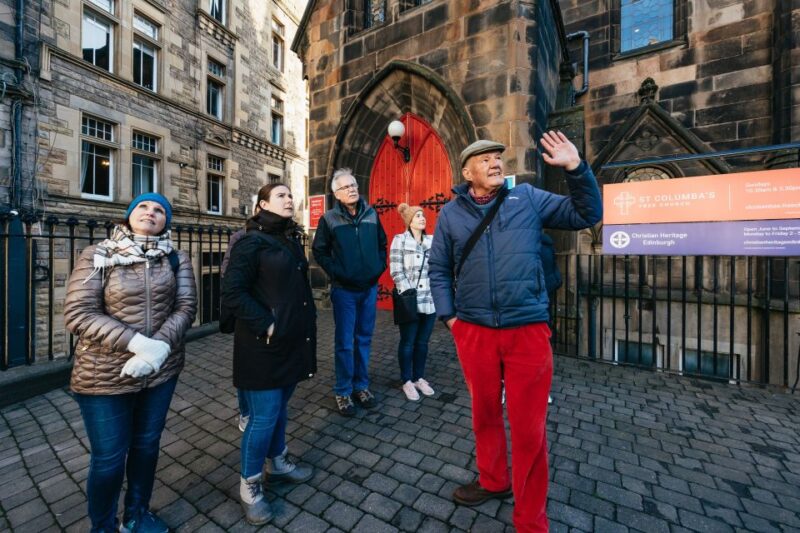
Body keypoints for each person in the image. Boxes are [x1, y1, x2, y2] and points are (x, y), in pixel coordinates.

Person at [428, 131, 602, 533]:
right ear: (467, 171)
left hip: (527, 330)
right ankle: (493, 480)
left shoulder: (528, 198)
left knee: (528, 430)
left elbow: (586, 214)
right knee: (484, 413)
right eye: (485, 159)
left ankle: (530, 521)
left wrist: (577, 169)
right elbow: (438, 268)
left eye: (497, 158)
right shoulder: (451, 214)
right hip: (474, 331)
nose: (494, 163)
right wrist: (451, 318)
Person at [64, 192, 197, 533]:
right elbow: (79, 314)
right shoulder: (98, 254)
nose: (151, 213)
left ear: (166, 221)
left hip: (160, 373)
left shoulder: (176, 258)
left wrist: (158, 351)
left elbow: (185, 307)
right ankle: (104, 526)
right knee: (108, 459)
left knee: (146, 447)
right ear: (128, 215)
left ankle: (136, 515)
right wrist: (138, 344)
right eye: (143, 206)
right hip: (104, 374)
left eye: (159, 210)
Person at [221, 183, 317, 525]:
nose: (289, 199)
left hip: (292, 341)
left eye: (291, 195)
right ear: (262, 204)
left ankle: (277, 462)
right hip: (262, 345)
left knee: (279, 410)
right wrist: (267, 323)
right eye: (281, 195)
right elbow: (232, 291)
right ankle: (250, 485)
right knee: (263, 416)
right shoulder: (250, 241)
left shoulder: (290, 239)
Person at [311, 168, 387, 416]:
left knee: (363, 339)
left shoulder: (372, 214)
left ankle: (361, 386)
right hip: (344, 291)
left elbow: (381, 244)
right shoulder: (329, 219)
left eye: (354, 184)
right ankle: (343, 390)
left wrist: (378, 268)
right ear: (336, 194)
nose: (352, 189)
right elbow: (319, 252)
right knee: (345, 342)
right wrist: (338, 272)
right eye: (346, 187)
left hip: (369, 289)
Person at [389, 203, 436, 401]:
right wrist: (408, 292)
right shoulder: (399, 240)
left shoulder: (433, 241)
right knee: (408, 342)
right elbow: (396, 269)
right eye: (417, 216)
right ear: (409, 221)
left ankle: (418, 377)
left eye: (423, 215)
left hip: (430, 300)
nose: (422, 218)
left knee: (422, 342)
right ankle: (406, 380)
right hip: (410, 300)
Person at [221, 194, 259, 433]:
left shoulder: (284, 236)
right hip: (248, 311)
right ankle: (246, 412)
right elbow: (227, 272)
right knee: (247, 367)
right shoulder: (240, 237)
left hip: (272, 311)